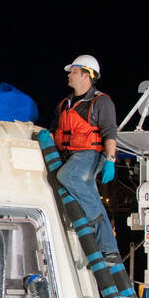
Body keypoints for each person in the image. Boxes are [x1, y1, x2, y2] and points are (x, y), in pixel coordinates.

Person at [52, 53, 120, 256]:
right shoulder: (64, 104)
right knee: (92, 197)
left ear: (87, 76)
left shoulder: (101, 102)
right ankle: (109, 249)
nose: (69, 75)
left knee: (67, 176)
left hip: (91, 154)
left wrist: (110, 160)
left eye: (74, 72)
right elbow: (54, 129)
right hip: (70, 156)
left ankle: (90, 217)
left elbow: (109, 132)